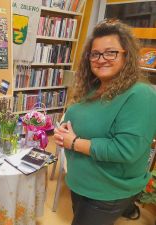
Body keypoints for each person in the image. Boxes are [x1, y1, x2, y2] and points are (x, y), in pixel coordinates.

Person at [53, 19, 156, 225]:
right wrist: (65, 129)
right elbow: (82, 119)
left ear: (127, 55)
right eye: (95, 54)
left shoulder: (140, 94)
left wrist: (73, 143)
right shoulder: (94, 88)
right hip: (81, 182)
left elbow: (126, 150)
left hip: (105, 192)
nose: (101, 59)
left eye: (111, 52)